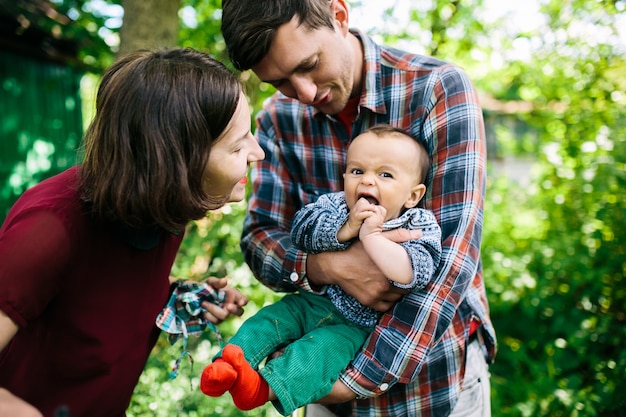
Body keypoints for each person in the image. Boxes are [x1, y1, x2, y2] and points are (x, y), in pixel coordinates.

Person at [220, 0, 497, 416]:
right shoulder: (279, 118)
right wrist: (327, 267)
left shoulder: (437, 89)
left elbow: (452, 263)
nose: (305, 93)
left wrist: (354, 383)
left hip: (432, 383)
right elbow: (259, 236)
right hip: (321, 360)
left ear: (339, 15)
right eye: (281, 82)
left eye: (310, 63)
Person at [0, 47, 265, 417]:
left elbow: (100, 291)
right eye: (238, 145)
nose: (258, 152)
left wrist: (177, 295)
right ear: (177, 161)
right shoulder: (48, 230)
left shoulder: (166, 206)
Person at [200, 125, 442, 416]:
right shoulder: (337, 205)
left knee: (318, 354)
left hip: (354, 327)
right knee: (269, 320)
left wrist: (373, 239)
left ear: (413, 195)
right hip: (313, 301)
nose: (367, 181)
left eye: (385, 175)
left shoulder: (418, 224)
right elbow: (301, 230)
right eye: (356, 171)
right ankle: (226, 365)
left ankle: (260, 390)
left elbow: (415, 272)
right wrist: (346, 228)